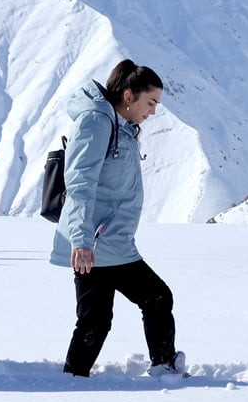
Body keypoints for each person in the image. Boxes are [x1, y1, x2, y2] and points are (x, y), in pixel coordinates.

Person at [51, 59, 185, 378]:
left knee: (99, 317)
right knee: (152, 298)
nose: (152, 111)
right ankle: (163, 367)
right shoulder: (97, 121)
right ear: (129, 96)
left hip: (108, 241)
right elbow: (80, 182)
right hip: (96, 242)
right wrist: (82, 241)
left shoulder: (118, 125)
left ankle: (75, 376)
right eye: (150, 102)